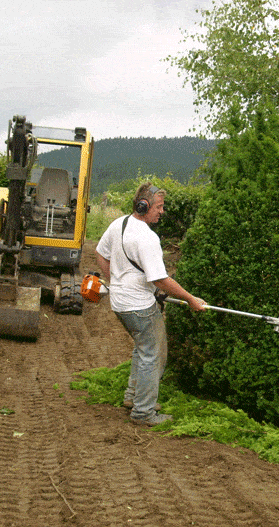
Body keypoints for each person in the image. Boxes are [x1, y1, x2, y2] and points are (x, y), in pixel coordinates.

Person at [95, 182, 205, 426]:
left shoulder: (119, 224)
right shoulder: (147, 238)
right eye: (159, 206)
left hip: (119, 302)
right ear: (142, 206)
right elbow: (160, 279)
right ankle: (143, 412)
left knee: (143, 348)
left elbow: (101, 254)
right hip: (138, 306)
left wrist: (115, 281)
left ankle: (133, 396)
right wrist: (191, 299)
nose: (162, 211)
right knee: (153, 354)